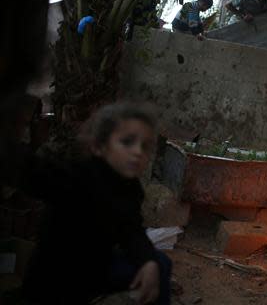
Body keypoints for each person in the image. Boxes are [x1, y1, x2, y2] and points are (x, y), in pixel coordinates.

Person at [10, 102, 171, 305]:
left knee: (159, 264)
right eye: (127, 142)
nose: (138, 152)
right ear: (99, 146)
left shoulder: (131, 189)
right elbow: (33, 174)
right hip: (57, 281)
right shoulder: (76, 176)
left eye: (145, 146)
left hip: (96, 271)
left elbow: (132, 231)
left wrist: (147, 261)